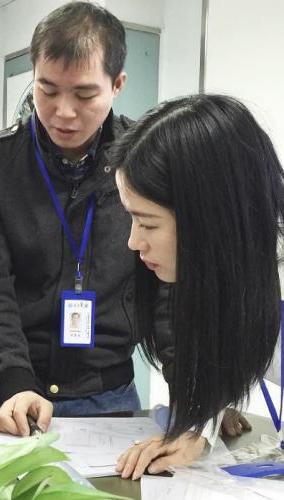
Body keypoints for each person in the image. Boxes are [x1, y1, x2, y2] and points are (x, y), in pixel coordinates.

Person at [0, 1, 174, 437]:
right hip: (15, 396)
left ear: (117, 84)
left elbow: (166, 289)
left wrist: (199, 395)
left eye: (83, 94)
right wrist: (14, 383)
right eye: (47, 89)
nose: (62, 111)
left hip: (109, 394)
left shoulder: (143, 163)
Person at [113, 94, 284, 479]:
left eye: (149, 224)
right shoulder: (230, 270)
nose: (133, 242)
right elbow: (221, 357)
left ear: (211, 216)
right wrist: (195, 427)